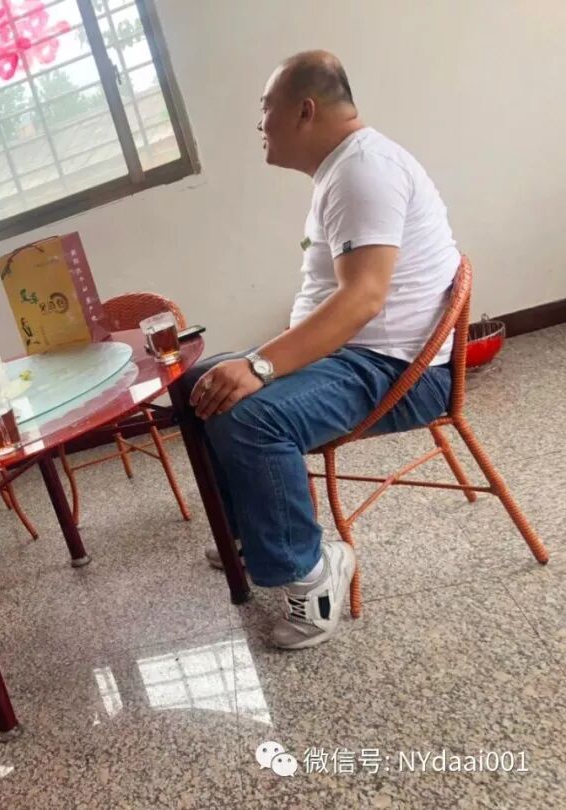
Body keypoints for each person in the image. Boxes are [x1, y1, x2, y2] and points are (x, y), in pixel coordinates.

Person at [189, 51, 458, 649]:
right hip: (355, 355)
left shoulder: (364, 171)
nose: (259, 123)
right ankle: (250, 531)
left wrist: (261, 365)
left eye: (266, 108)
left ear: (304, 110)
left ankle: (311, 574)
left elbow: (363, 298)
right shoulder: (343, 170)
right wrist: (253, 366)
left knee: (251, 417)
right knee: (198, 382)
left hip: (396, 369)